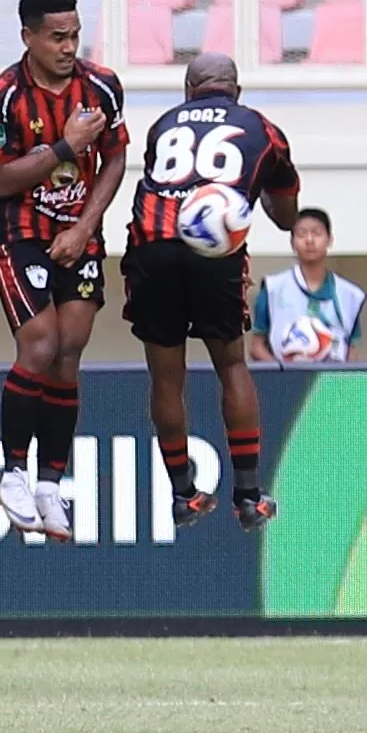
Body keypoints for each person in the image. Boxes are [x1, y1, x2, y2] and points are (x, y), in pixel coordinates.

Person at [121, 53, 300, 532]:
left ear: (188, 89)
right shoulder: (263, 129)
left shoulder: (163, 125)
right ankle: (248, 497)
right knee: (232, 365)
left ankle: (184, 495)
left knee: (166, 376)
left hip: (153, 246)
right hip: (216, 253)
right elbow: (287, 217)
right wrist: (251, 194)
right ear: (236, 90)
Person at [0, 0, 128, 541]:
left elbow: (115, 159)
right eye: (57, 37)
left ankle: (49, 484)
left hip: (80, 235)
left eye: (75, 36)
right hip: (22, 236)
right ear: (29, 37)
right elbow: (0, 180)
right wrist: (65, 147)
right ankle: (13, 473)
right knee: (39, 345)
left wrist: (85, 227)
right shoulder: (1, 97)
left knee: (68, 353)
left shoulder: (102, 86)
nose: (68, 47)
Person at [251, 208, 364, 363]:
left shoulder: (349, 294)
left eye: (317, 233)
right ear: (292, 243)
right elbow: (256, 346)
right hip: (285, 375)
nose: (309, 240)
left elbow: (351, 350)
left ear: (330, 240)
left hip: (332, 376)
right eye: (302, 234)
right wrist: (282, 372)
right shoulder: (273, 288)